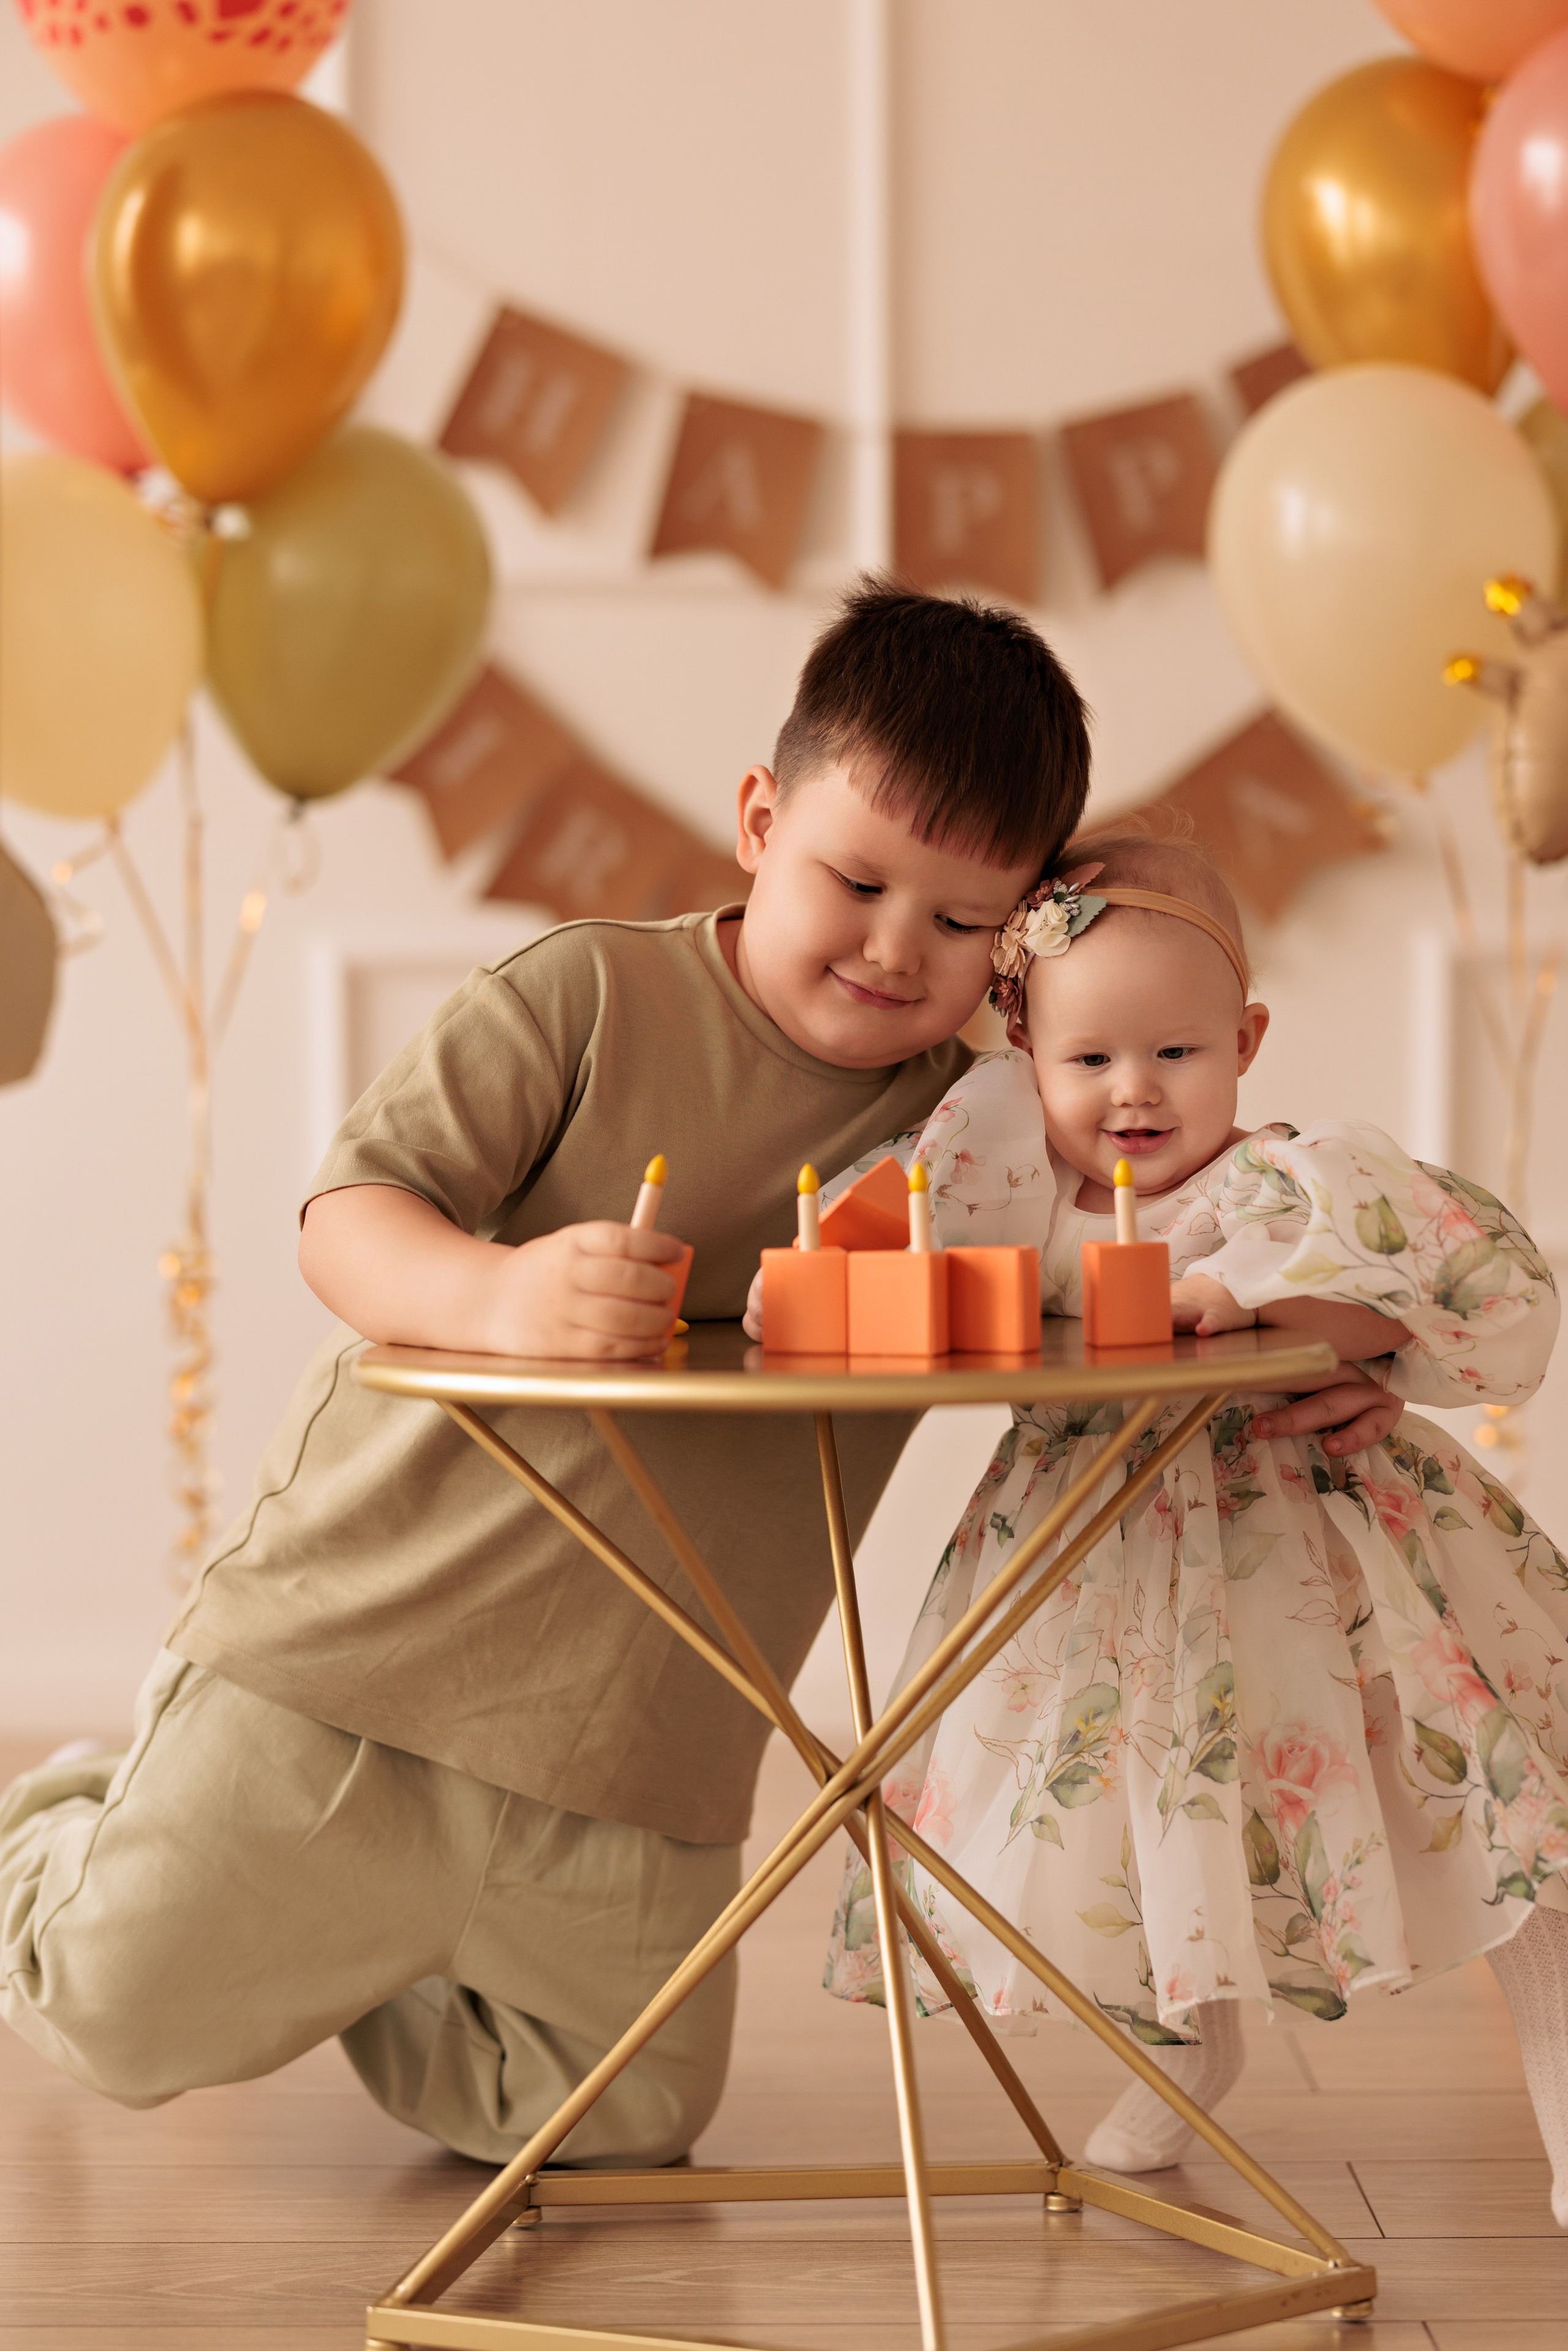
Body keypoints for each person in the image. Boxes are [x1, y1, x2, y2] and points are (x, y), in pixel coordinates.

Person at [0, 586, 1392, 2172]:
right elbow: (349, 1217)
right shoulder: (585, 999)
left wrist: (1353, 1332)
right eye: (855, 879)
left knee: (611, 2120)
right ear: (757, 818)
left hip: (644, 1738)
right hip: (368, 1657)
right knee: (105, 2002)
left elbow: (1191, 1212)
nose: (892, 946)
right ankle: (77, 1819)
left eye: (956, 922)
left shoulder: (987, 1133)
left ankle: (351, 1941)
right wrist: (504, 1292)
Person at [815, 826, 1568, 2219]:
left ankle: (1560, 2061)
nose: (1132, 1093)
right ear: (1023, 1049)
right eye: (1087, 1059)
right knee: (1153, 1804)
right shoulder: (1007, 1189)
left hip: (1326, 1544)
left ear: (1244, 1039)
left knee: (1474, 1803)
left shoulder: (1285, 1180)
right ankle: (1190, 2048)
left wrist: (1280, 1312)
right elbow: (892, 1268)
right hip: (1108, 1553)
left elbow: (1436, 1281)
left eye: (1176, 1051)